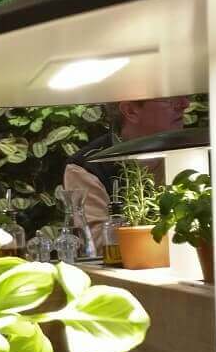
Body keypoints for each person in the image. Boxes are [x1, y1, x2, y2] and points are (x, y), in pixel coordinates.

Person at [63, 97, 190, 251]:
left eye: (185, 96)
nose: (185, 104)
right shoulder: (86, 166)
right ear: (131, 111)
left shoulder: (195, 151)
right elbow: (101, 245)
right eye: (169, 99)